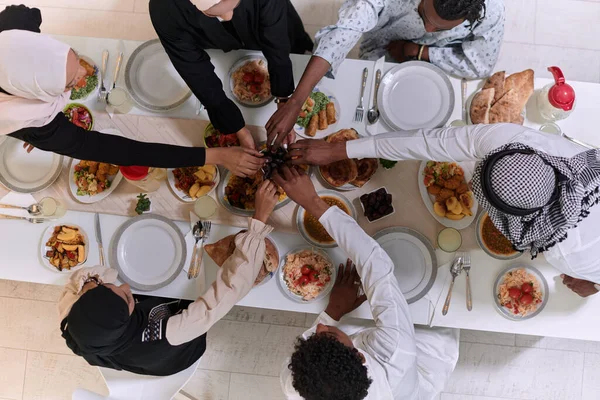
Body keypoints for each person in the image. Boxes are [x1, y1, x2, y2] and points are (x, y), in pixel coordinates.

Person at [286, 123, 600, 298]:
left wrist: (593, 284)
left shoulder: (569, 254)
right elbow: (426, 143)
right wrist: (339, 150)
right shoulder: (514, 140)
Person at [0, 5, 264, 177]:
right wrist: (216, 155)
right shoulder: (32, 124)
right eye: (71, 83)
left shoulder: (10, 31)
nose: (84, 75)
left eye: (75, 58)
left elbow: (25, 12)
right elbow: (123, 151)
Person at [272, 165, 459, 400]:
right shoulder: (395, 353)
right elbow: (377, 265)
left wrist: (332, 312)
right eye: (329, 334)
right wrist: (312, 201)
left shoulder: (295, 383)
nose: (318, 327)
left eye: (315, 335)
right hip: (421, 361)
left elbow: (318, 340)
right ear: (360, 357)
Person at [58, 180, 280, 375]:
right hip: (176, 354)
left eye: (109, 287)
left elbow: (82, 280)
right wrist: (258, 222)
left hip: (135, 352)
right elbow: (227, 292)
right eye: (127, 298)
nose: (126, 285)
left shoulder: (79, 327)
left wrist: (90, 284)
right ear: (123, 321)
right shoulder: (165, 334)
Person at [265, 0, 505, 146]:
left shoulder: (491, 10)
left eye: (440, 28)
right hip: (383, 41)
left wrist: (420, 51)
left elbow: (481, 64)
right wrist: (297, 100)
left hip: (435, 57)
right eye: (424, 16)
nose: (428, 29)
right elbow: (346, 30)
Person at [149, 0, 314, 148]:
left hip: (265, 12)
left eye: (232, 5)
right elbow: (194, 69)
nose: (228, 17)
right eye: (214, 11)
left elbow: (277, 46)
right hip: (210, 36)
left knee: (292, 47)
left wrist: (284, 98)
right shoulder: (164, 8)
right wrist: (237, 129)